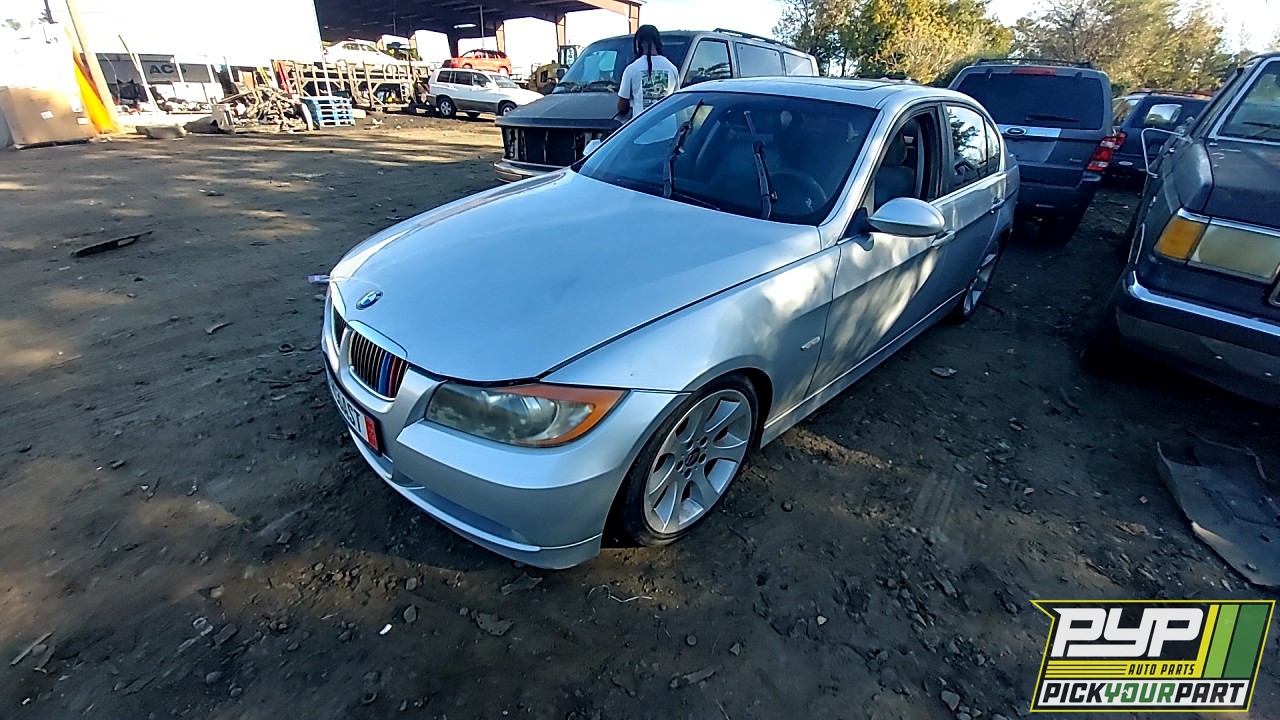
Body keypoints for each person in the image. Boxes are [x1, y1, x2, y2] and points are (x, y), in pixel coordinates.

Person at [616, 25, 678, 121]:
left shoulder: (631, 69)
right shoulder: (672, 68)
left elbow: (622, 106)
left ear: (638, 43)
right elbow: (675, 100)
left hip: (643, 130)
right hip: (669, 129)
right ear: (658, 42)